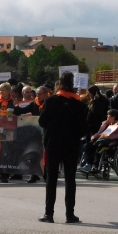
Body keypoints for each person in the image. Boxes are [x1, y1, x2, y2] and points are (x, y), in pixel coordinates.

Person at [38, 71, 88, 223]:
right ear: (73, 84)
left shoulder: (51, 101)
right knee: (70, 179)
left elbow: (42, 122)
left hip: (53, 143)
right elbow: (83, 129)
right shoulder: (80, 104)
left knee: (51, 179)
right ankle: (70, 214)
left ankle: (49, 214)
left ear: (59, 83)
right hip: (71, 145)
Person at [81, 109, 118, 173]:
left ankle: (95, 166)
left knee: (99, 147)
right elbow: (99, 133)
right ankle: (89, 164)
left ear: (113, 116)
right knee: (88, 146)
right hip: (102, 139)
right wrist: (94, 136)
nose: (107, 116)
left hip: (112, 142)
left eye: (108, 115)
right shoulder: (105, 123)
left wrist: (109, 136)